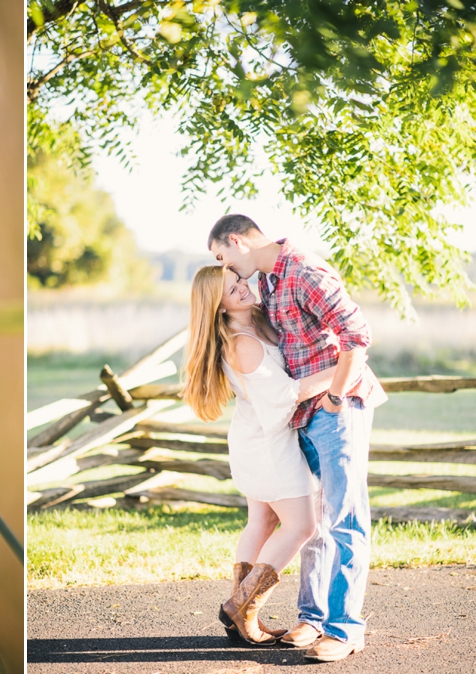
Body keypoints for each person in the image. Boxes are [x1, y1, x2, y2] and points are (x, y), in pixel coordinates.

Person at [207, 214, 387, 662]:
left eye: (221, 255)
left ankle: (345, 630)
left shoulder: (304, 271)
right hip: (302, 415)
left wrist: (333, 398)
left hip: (335, 408)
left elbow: (357, 336)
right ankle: (313, 619)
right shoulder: (267, 282)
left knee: (344, 517)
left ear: (236, 240)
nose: (223, 266)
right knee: (318, 521)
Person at [183, 265, 337, 647]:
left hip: (256, 436)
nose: (242, 288)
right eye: (230, 288)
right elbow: (282, 398)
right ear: (216, 305)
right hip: (267, 443)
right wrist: (339, 371)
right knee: (304, 526)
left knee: (263, 521)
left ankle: (239, 615)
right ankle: (244, 607)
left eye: (239, 280)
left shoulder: (259, 322)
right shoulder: (242, 342)